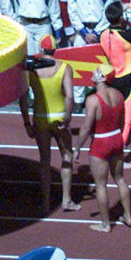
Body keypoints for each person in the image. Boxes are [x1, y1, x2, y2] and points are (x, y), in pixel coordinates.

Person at [20, 36, 77, 213]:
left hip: (41, 117)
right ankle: (66, 200)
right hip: (59, 116)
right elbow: (69, 96)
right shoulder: (65, 67)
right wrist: (67, 118)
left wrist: (26, 123)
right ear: (55, 49)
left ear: (41, 50)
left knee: (44, 161)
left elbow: (23, 97)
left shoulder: (32, 70)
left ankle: (46, 202)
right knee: (66, 156)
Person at [72, 64, 131, 232]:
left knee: (100, 185)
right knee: (120, 179)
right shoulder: (119, 95)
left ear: (103, 78)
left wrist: (77, 148)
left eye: (97, 71)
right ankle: (128, 215)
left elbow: (85, 127)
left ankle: (106, 224)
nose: (93, 72)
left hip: (101, 142)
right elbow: (121, 120)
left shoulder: (93, 100)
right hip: (116, 139)